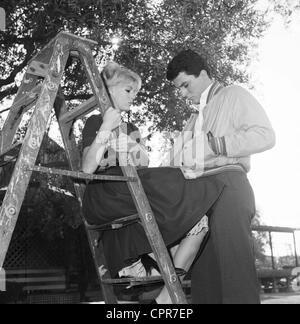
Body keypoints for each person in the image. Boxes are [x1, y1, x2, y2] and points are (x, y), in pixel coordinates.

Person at [81, 62, 226, 304]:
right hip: (106, 193)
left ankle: (164, 298)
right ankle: (147, 264)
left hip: (131, 193)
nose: (133, 97)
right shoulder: (96, 121)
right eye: (128, 91)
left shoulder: (131, 127)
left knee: (200, 225)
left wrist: (131, 145)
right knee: (173, 177)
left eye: (135, 93)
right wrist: (106, 128)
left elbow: (144, 162)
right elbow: (87, 167)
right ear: (108, 90)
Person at [166, 49, 276, 304]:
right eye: (178, 89)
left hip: (228, 186)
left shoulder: (233, 94)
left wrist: (217, 145)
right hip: (198, 197)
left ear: (203, 74)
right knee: (206, 279)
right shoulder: (192, 119)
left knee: (234, 274)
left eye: (185, 85)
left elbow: (266, 136)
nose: (182, 93)